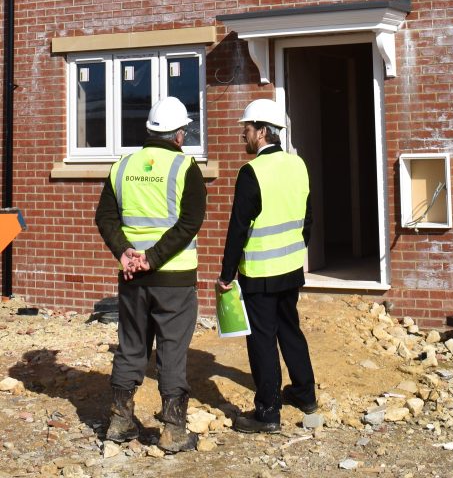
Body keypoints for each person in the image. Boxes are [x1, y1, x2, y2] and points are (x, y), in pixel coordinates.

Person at [95, 95, 206, 453]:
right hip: (173, 278)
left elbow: (105, 219)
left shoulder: (122, 167)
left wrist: (126, 253)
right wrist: (153, 258)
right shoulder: (185, 168)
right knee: (171, 350)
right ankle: (173, 430)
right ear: (178, 135)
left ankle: (120, 420)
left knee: (131, 345)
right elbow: (190, 222)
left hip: (132, 278)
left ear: (148, 130)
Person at [218, 98, 317, 434]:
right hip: (291, 268)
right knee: (290, 328)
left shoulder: (252, 172)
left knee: (262, 338)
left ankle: (268, 411)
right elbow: (308, 218)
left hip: (260, 273)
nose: (242, 136)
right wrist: (296, 251)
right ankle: (305, 394)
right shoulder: (298, 165)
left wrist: (226, 274)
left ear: (261, 132)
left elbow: (238, 228)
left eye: (246, 129)